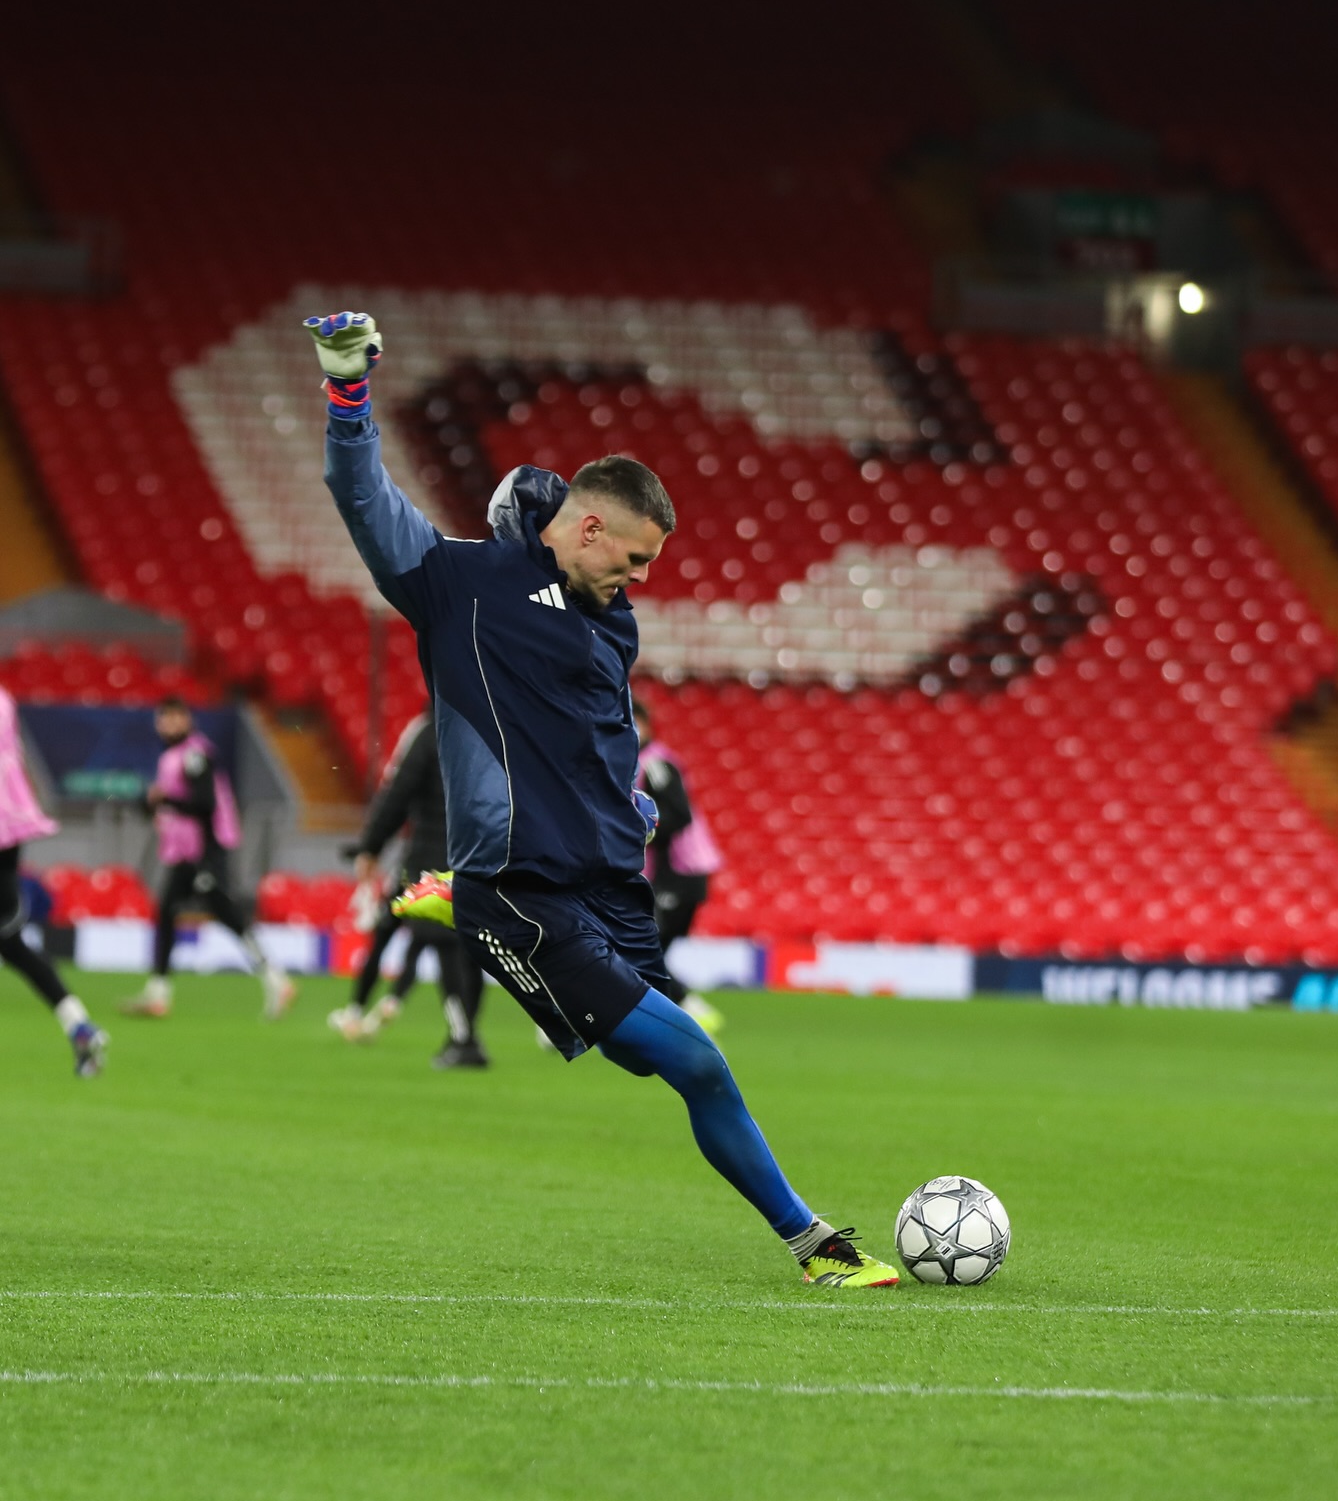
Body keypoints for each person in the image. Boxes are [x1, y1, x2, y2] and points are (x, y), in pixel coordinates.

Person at [308, 309, 896, 1287]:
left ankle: (463, 905)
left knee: (639, 1057)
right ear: (587, 527)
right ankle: (816, 1246)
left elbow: (593, 746)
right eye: (632, 557)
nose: (640, 578)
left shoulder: (612, 622)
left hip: (608, 886)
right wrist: (347, 387)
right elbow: (361, 495)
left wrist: (633, 816)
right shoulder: (458, 584)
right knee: (698, 1062)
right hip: (526, 893)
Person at [329, 707, 488, 1068]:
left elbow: (398, 794)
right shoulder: (489, 734)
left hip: (428, 859)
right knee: (464, 949)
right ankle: (365, 1010)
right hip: (475, 861)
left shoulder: (431, 733)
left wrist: (371, 846)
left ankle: (464, 1040)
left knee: (432, 943)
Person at [122, 697, 295, 1020]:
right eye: (165, 718)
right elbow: (168, 805)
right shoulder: (173, 756)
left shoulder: (195, 755)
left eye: (176, 717)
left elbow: (204, 804)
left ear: (188, 720)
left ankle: (276, 978)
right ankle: (159, 992)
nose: (170, 724)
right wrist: (151, 802)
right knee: (168, 911)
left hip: (204, 850)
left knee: (224, 914)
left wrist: (165, 799)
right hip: (183, 851)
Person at [0, 684, 107, 1074]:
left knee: (11, 941)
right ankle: (80, 1026)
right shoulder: (5, 700)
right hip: (10, 829)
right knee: (11, 944)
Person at [633, 697, 725, 1034]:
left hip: (680, 872)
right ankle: (682, 1014)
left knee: (642, 951)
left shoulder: (655, 762)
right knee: (644, 952)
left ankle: (691, 1012)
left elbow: (678, 814)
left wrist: (639, 833)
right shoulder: (640, 762)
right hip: (673, 873)